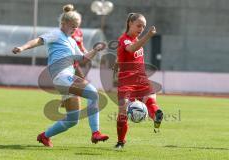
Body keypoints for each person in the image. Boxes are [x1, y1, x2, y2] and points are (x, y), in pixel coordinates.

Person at [12, 4, 109, 147]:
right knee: (94, 94)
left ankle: (44, 136)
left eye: (77, 26)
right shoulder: (56, 34)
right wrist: (22, 47)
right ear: (64, 24)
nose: (75, 29)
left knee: (72, 120)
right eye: (73, 25)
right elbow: (38, 41)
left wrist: (95, 50)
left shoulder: (71, 41)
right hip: (62, 76)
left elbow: (82, 58)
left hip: (65, 80)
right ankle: (96, 133)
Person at [114, 13, 163, 149]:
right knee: (123, 111)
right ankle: (121, 142)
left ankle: (156, 116)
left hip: (140, 77)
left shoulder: (137, 40)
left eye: (143, 27)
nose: (141, 29)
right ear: (130, 23)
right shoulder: (124, 39)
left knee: (150, 99)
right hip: (126, 80)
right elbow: (130, 49)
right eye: (139, 25)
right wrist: (148, 35)